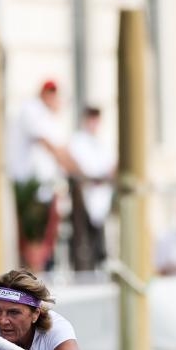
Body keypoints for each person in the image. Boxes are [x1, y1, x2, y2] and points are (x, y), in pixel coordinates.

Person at [8, 80, 80, 272]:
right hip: (31, 188)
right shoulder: (33, 111)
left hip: (43, 188)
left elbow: (61, 149)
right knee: (34, 240)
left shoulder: (47, 117)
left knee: (41, 240)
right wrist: (79, 171)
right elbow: (51, 146)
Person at [68, 105, 115, 271]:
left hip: (101, 194)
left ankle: (99, 265)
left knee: (98, 235)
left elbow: (110, 167)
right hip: (83, 194)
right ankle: (82, 268)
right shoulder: (78, 140)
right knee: (82, 237)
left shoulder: (103, 142)